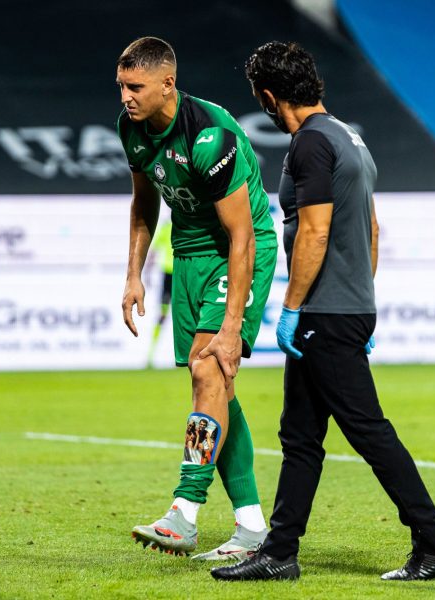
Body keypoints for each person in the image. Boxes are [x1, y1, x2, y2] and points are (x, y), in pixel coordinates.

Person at [212, 41, 435, 582]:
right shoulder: (350, 137)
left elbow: (317, 231)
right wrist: (360, 299)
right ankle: (280, 551)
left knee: (369, 430)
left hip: (324, 312)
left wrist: (292, 308)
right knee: (300, 436)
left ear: (270, 95)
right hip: (345, 306)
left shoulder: (308, 144)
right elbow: (371, 229)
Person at [116, 37, 279, 561]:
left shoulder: (209, 136)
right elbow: (144, 205)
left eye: (135, 87)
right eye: (121, 86)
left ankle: (184, 511)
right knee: (216, 386)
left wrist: (232, 327)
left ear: (168, 82)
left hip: (237, 251)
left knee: (210, 371)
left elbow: (243, 235)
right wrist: (133, 275)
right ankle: (252, 525)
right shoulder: (132, 129)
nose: (125, 97)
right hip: (186, 256)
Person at [146, 219, 174, 367]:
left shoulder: (184, 225)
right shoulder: (166, 227)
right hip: (169, 274)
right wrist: (148, 272)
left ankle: (185, 356)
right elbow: (154, 250)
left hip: (182, 272)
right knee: (163, 314)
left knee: (184, 315)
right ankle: (151, 355)